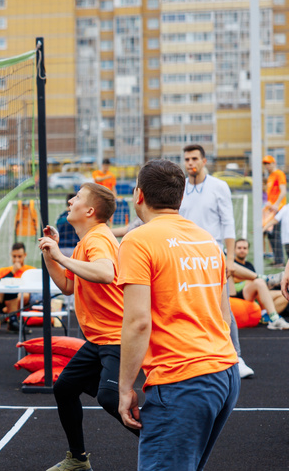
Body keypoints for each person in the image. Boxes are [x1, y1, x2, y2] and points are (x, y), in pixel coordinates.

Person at [118, 159, 239, 471]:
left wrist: (124, 387)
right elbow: (224, 317)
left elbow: (137, 322)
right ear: (181, 198)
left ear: (138, 195)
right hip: (224, 372)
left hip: (184, 380)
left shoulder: (138, 239)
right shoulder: (207, 241)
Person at [38, 183, 137, 471]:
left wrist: (61, 256)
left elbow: (105, 273)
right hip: (98, 339)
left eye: (77, 198)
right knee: (65, 388)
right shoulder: (86, 242)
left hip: (117, 338)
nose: (71, 201)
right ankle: (78, 460)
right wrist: (50, 253)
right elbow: (68, 286)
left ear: (90, 210)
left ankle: (163, 444)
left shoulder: (98, 239)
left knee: (108, 397)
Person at [179, 144, 254, 379]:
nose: (190, 163)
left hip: (213, 254)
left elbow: (228, 222)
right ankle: (195, 356)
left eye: (194, 159)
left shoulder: (219, 187)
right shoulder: (180, 188)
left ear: (204, 161)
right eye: (187, 159)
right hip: (184, 255)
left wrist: (230, 258)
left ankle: (236, 356)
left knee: (223, 305)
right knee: (187, 304)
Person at [231, 238, 289, 326]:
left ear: (247, 250)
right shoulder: (231, 264)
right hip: (240, 294)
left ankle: (264, 315)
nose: (242, 250)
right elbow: (235, 279)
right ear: (234, 250)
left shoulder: (249, 265)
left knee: (284, 294)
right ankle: (274, 319)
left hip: (256, 295)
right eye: (239, 248)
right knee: (259, 282)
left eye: (244, 248)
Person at [0, 242, 36, 332]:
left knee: (24, 295)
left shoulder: (30, 271)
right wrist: (13, 271)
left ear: (25, 255)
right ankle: (10, 317)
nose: (17, 260)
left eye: (19, 257)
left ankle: (5, 313)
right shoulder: (3, 271)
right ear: (11, 255)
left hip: (24, 303)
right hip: (3, 301)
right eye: (14, 256)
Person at [263, 155, 287, 266]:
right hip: (271, 209)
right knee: (271, 234)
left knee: (276, 234)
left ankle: (280, 261)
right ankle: (277, 259)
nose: (267, 166)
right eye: (265, 164)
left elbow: (283, 191)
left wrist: (277, 204)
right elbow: (271, 194)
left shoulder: (279, 174)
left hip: (278, 208)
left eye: (269, 163)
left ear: (274, 163)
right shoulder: (270, 176)